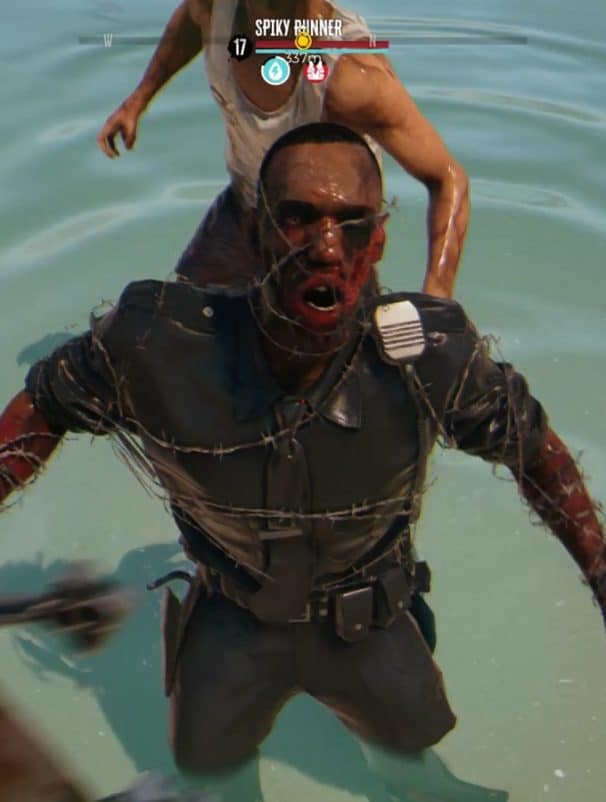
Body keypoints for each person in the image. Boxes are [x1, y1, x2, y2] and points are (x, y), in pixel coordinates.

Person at [1, 124, 604, 794]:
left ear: (379, 240)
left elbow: (537, 454)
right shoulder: (159, 345)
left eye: (352, 224)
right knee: (214, 773)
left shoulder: (427, 358)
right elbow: (43, 408)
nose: (326, 247)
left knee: (412, 769)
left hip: (371, 623)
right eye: (298, 219)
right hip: (232, 622)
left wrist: (600, 572)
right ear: (257, 233)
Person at [97, 0, 469, 298]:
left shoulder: (348, 79)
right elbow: (193, 21)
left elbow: (448, 179)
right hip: (245, 211)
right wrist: (139, 98)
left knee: (336, 362)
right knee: (176, 329)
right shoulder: (217, 8)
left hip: (327, 242)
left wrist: (437, 299)